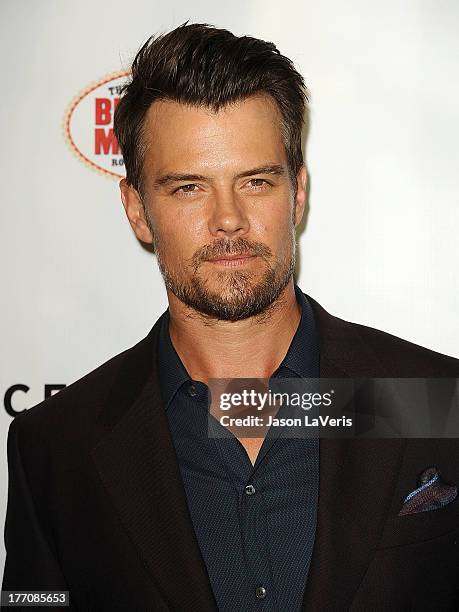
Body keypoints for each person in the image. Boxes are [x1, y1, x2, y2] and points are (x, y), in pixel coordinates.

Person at [2, 22, 459, 612]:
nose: (228, 219)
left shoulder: (436, 401)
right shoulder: (56, 449)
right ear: (138, 210)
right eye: (189, 187)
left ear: (297, 192)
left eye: (256, 181)